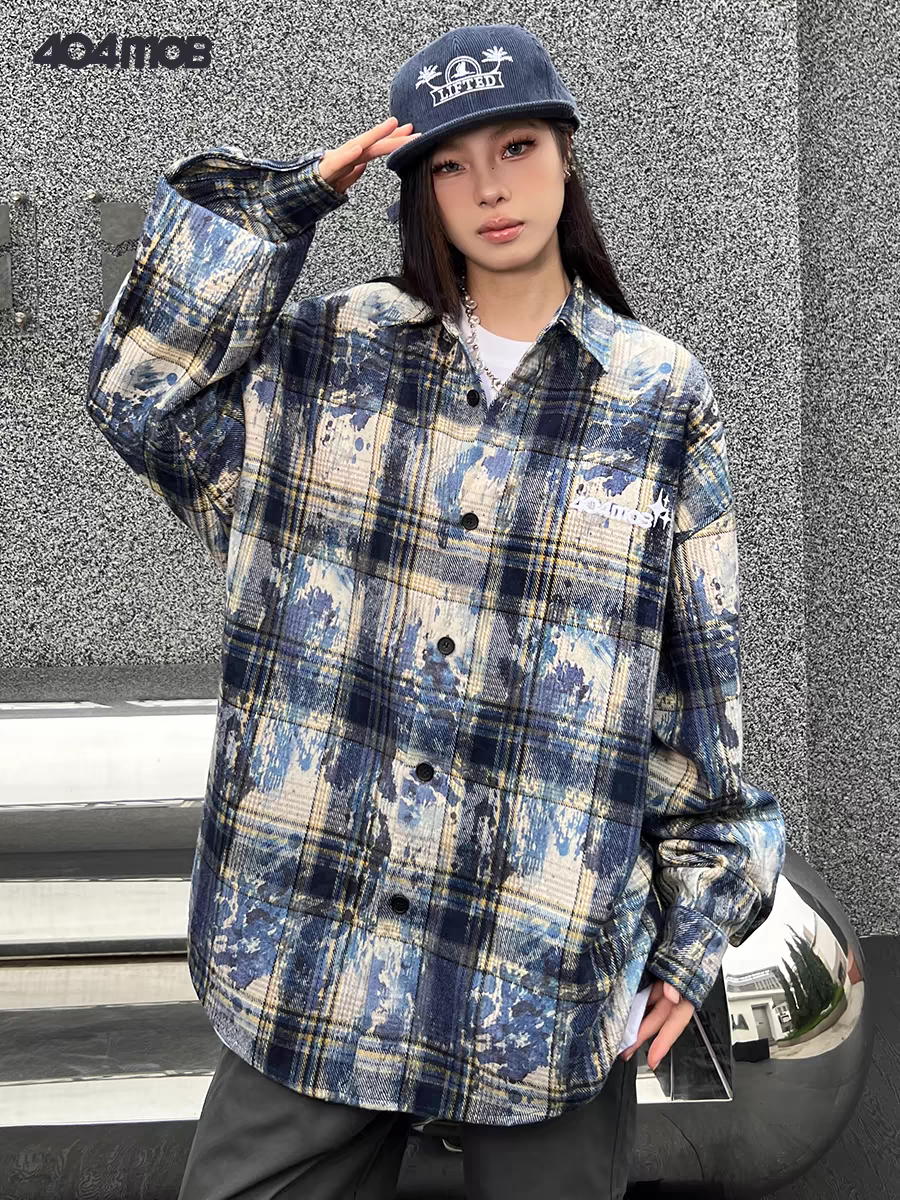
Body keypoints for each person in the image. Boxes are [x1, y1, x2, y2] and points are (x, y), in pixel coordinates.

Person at [85, 22, 786, 1200]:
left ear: (565, 153)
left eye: (516, 147)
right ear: (415, 189)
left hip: (541, 976)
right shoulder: (327, 357)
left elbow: (691, 688)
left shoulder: (659, 399)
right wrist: (286, 204)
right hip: (316, 959)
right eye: (449, 163)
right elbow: (139, 395)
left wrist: (694, 923)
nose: (490, 188)